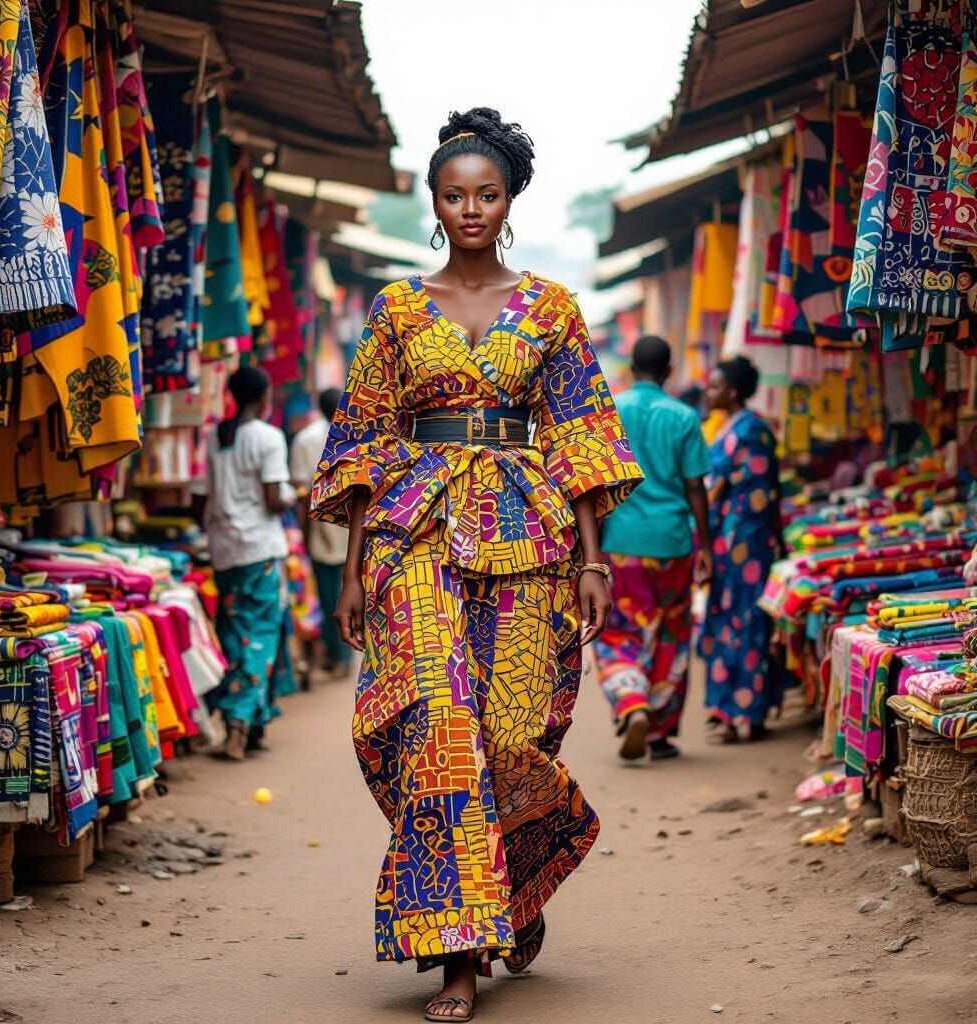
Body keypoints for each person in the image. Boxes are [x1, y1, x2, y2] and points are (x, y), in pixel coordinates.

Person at [310, 107, 642, 1023]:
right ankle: (458, 958)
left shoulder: (553, 308)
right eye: (454, 195)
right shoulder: (395, 309)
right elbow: (364, 439)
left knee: (509, 735)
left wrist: (594, 559)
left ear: (509, 201)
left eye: (486, 195)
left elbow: (579, 428)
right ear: (433, 198)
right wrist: (348, 569)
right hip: (413, 533)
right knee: (438, 730)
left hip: (529, 536)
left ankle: (520, 875)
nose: (469, 209)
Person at [595, 336, 712, 761]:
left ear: (629, 367)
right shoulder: (683, 416)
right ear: (669, 370)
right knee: (670, 632)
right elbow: (696, 485)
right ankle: (660, 732)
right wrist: (708, 548)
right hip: (674, 542)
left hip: (623, 543)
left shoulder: (611, 412)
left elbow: (597, 484)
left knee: (621, 628)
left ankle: (631, 702)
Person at [192, 366, 294, 761]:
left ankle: (255, 725)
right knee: (262, 635)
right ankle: (237, 725)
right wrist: (291, 496)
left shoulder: (215, 436)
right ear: (265, 396)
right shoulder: (268, 438)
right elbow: (273, 499)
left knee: (236, 633)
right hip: (260, 551)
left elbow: (198, 501)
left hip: (225, 551)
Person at [699, 356, 785, 743]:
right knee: (731, 622)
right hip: (734, 542)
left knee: (747, 623)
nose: (709, 391)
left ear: (732, 392)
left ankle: (745, 712)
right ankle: (734, 710)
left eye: (715, 386)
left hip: (746, 544)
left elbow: (754, 495)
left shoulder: (750, 431)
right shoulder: (735, 428)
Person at [290, 387, 351, 676]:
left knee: (326, 595)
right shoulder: (358, 435)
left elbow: (301, 493)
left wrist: (300, 533)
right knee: (340, 593)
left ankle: (334, 653)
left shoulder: (306, 439)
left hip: (321, 527)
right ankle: (339, 655)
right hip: (348, 529)